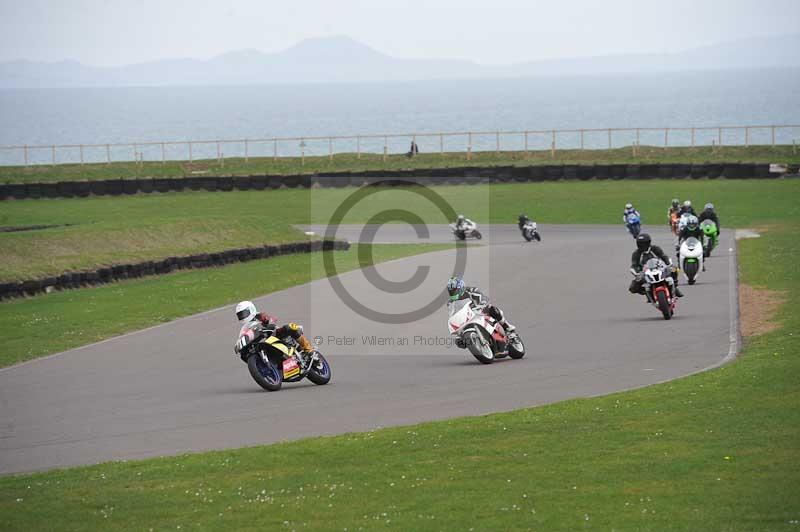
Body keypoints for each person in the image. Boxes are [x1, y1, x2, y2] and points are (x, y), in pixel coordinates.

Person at [234, 300, 314, 362]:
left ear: (251, 310)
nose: (242, 317)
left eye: (244, 313)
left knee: (289, 327)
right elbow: (245, 334)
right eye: (240, 315)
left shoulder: (260, 316)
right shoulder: (246, 327)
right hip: (265, 344)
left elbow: (272, 320)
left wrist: (267, 324)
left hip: (275, 334)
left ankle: (309, 350)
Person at [446, 276, 517, 337]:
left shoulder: (471, 290)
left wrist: (482, 304)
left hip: (478, 310)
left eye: (454, 290)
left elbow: (482, 298)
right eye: (451, 291)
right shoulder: (450, 302)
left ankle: (508, 328)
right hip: (467, 317)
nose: (453, 293)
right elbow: (452, 313)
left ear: (460, 288)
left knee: (493, 310)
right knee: (459, 340)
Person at [629, 233, 683, 297]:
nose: (642, 245)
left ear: (649, 242)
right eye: (640, 243)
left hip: (659, 268)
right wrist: (637, 273)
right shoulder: (636, 254)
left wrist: (669, 264)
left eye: (644, 243)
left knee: (674, 269)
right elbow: (634, 265)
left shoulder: (655, 248)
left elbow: (664, 256)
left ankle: (675, 287)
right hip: (645, 273)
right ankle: (647, 292)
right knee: (632, 288)